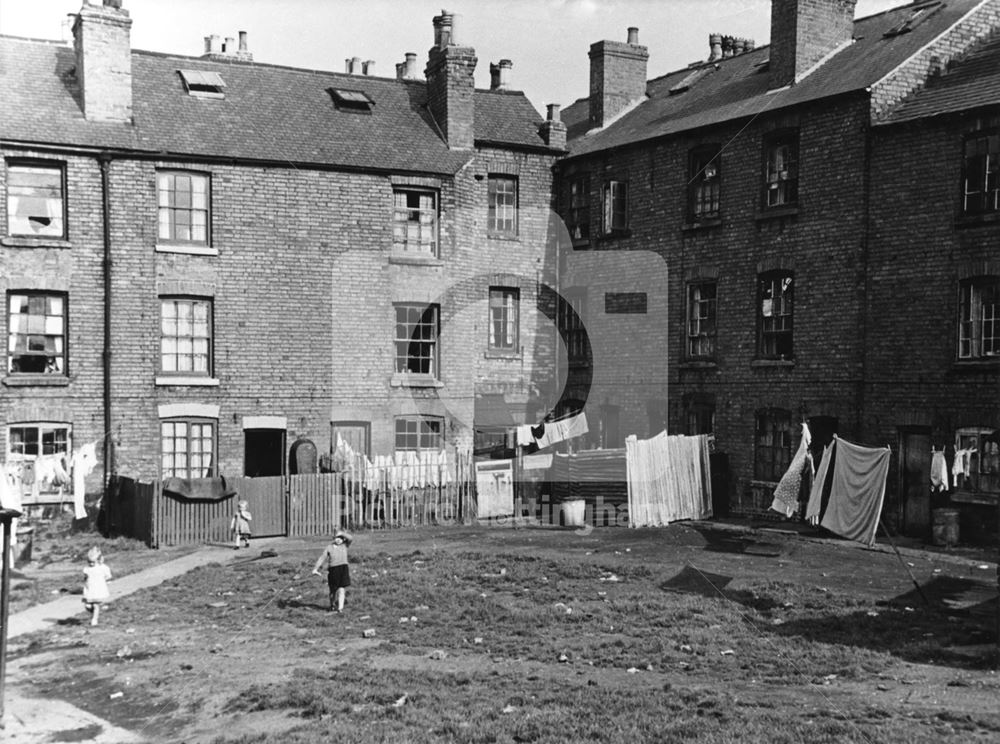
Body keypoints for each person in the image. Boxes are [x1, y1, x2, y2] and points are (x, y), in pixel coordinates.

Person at [311, 529, 353, 613]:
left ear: (343, 539)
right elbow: (322, 558)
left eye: (341, 538)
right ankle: (332, 605)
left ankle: (340, 608)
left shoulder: (345, 545)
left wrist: (342, 533)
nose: (338, 540)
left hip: (343, 569)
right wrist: (315, 568)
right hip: (333, 570)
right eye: (337, 538)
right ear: (334, 538)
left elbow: (350, 538)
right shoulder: (329, 547)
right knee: (333, 590)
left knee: (341, 589)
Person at [82, 546, 112, 626]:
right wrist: (85, 583)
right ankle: (93, 614)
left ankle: (94, 619)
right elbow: (85, 577)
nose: (91, 564)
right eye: (89, 562)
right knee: (88, 606)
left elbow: (108, 575)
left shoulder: (102, 568)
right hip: (90, 589)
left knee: (95, 605)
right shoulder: (87, 569)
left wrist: (106, 580)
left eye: (93, 562)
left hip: (98, 589)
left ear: (98, 560)